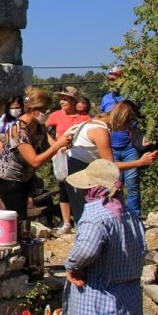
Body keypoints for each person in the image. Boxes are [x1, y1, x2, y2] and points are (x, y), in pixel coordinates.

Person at [64, 159, 146, 315]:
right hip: (128, 308)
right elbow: (141, 250)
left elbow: (85, 252)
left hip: (98, 311)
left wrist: (71, 266)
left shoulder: (96, 216)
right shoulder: (129, 214)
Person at [63, 101, 158, 223]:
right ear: (123, 119)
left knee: (85, 216)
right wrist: (140, 162)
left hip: (77, 168)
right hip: (79, 171)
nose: (130, 129)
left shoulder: (93, 122)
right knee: (86, 218)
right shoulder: (101, 131)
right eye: (130, 123)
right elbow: (109, 167)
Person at [0, 90, 73, 221]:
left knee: (23, 215)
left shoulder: (39, 125)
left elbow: (47, 146)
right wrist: (57, 147)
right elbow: (34, 161)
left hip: (25, 176)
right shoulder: (18, 129)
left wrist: (62, 145)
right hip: (9, 177)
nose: (48, 114)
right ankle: (18, 240)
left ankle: (24, 238)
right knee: (18, 216)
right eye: (45, 110)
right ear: (34, 109)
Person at [46, 86, 91, 235]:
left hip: (79, 157)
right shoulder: (56, 115)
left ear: (73, 101)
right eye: (61, 99)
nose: (61, 102)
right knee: (64, 189)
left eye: (65, 99)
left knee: (82, 188)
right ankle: (66, 223)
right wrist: (54, 144)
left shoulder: (84, 118)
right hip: (62, 157)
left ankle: (83, 220)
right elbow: (41, 129)